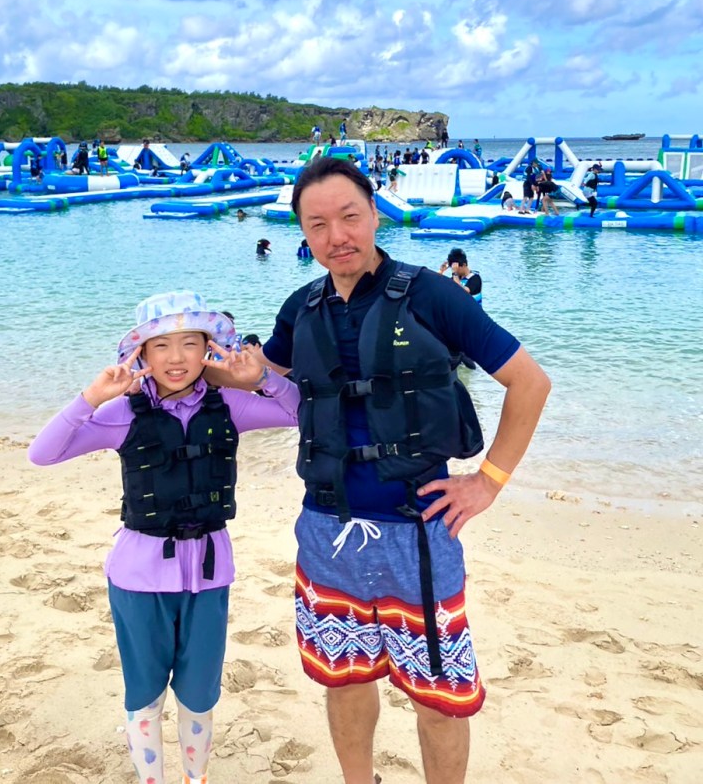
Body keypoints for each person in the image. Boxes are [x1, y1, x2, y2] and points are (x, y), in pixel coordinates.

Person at [256, 157, 550, 784]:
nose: (337, 236)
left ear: (375, 213)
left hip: (417, 531)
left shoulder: (431, 295)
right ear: (302, 234)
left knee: (439, 698)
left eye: (350, 217)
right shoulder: (300, 308)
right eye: (317, 225)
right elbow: (263, 382)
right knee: (343, 679)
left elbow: (530, 382)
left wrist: (488, 481)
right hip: (327, 528)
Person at [28, 291, 299, 784]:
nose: (176, 358)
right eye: (161, 346)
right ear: (142, 356)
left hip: (210, 575)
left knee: (199, 697)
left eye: (190, 344)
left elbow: (300, 414)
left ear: (208, 350)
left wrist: (261, 379)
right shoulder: (123, 414)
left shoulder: (230, 407)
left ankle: (196, 779)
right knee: (146, 696)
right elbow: (43, 453)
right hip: (138, 576)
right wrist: (92, 397)